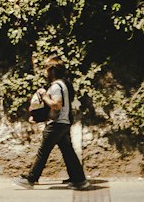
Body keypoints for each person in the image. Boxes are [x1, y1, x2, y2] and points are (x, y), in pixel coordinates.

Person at [18, 55, 90, 188]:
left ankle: (31, 179)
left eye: (46, 69)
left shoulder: (57, 86)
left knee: (43, 151)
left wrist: (43, 95)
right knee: (68, 152)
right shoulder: (63, 84)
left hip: (57, 124)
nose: (45, 72)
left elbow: (56, 105)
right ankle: (79, 180)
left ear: (51, 70)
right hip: (63, 122)